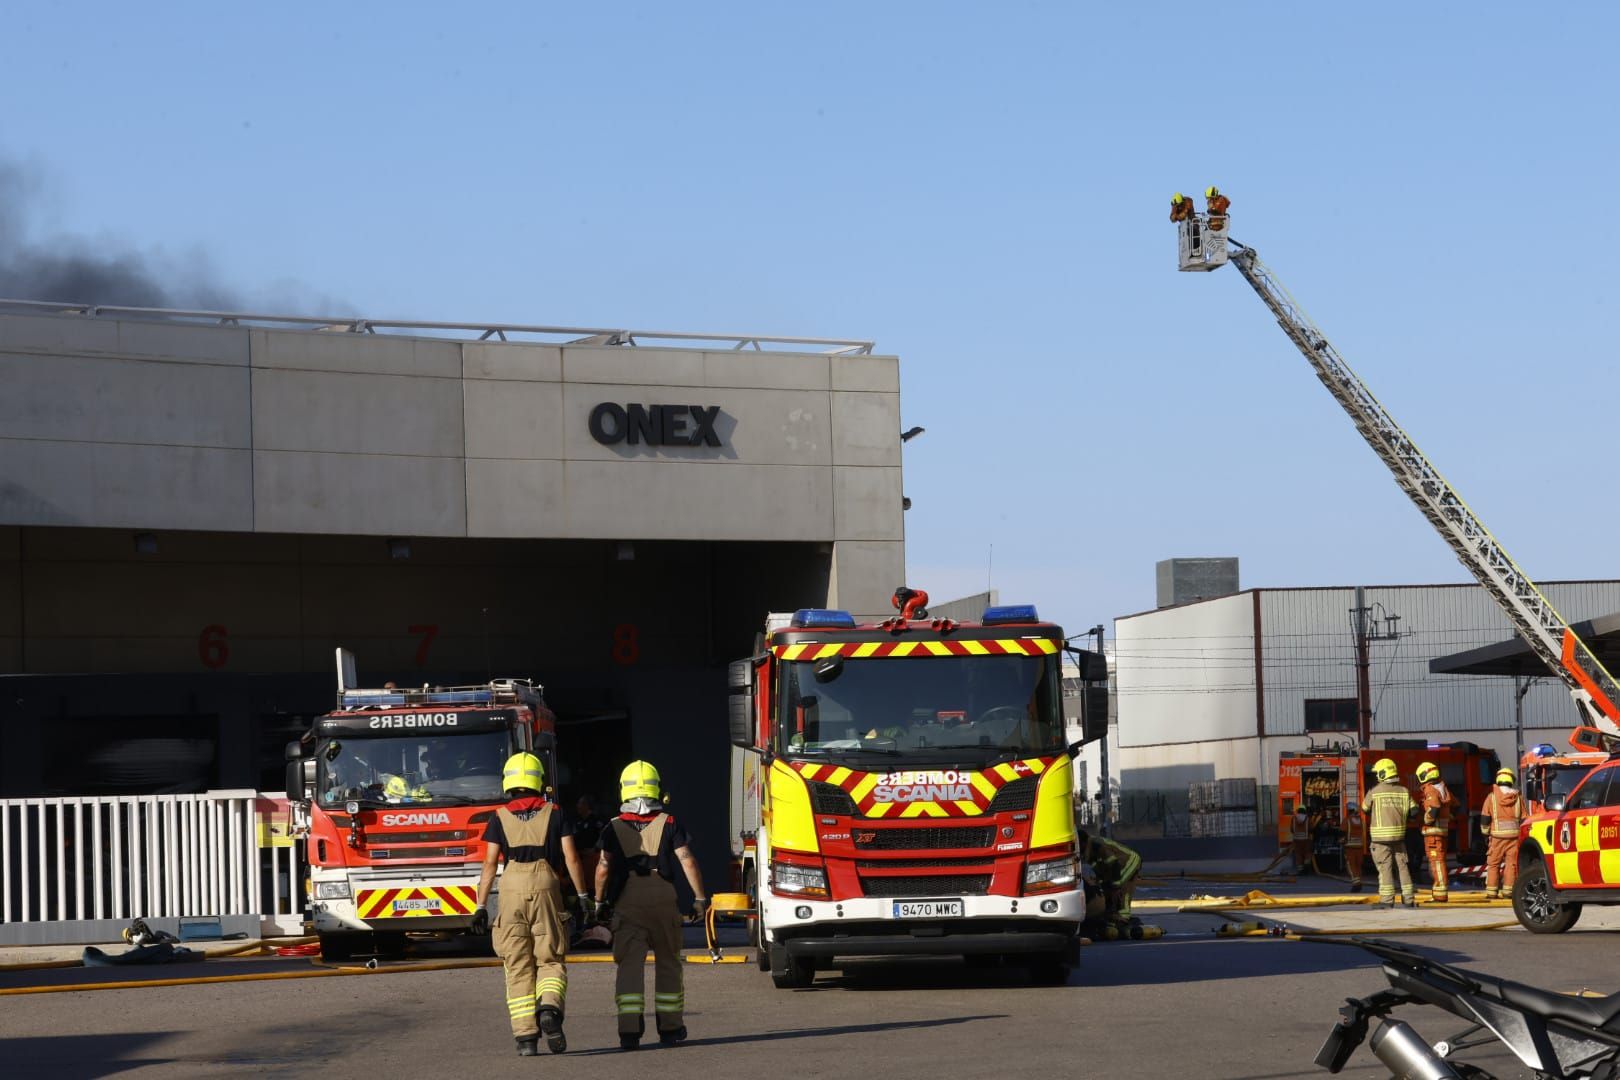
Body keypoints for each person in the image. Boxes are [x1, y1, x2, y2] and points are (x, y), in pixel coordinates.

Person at [472, 752, 592, 1057]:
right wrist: (582, 896)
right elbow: (572, 858)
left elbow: (489, 865)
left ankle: (526, 1038)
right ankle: (549, 1007)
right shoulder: (556, 813)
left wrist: (481, 906)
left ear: (509, 782)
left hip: (511, 887)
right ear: (538, 781)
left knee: (517, 964)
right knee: (550, 958)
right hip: (546, 885)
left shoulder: (498, 817)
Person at [595, 760, 708, 1051]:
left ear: (624, 789)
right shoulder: (670, 823)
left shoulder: (613, 826)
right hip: (663, 896)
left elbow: (604, 867)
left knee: (629, 966)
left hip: (627, 901)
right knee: (668, 962)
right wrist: (699, 898)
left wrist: (598, 901)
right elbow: (687, 860)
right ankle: (670, 1029)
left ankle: (629, 1032)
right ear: (656, 788)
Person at [1362, 758, 1417, 908]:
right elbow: (1415, 811)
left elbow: (1364, 809)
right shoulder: (1404, 791)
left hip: (1380, 839)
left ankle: (1386, 901)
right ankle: (1409, 898)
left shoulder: (1375, 791)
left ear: (1382, 773)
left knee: (1385, 868)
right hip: (1399, 838)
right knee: (1403, 867)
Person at [1077, 828, 1141, 928]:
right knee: (1108, 887)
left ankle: (1123, 918)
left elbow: (1113, 864)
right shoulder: (1087, 851)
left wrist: (1114, 886)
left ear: (1083, 842)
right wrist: (1102, 883)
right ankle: (1113, 914)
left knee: (1121, 887)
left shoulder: (1097, 845)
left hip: (1128, 861)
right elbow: (1099, 868)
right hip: (1116, 865)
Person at [1480, 767, 1524, 899]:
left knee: (1493, 864)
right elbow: (1524, 818)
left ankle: (1492, 892)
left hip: (1497, 837)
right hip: (1514, 837)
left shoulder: (1491, 797)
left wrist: (1485, 833)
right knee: (1512, 864)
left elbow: (1485, 818)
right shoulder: (1518, 797)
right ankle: (1508, 891)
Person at [1416, 761, 1455, 903]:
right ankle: (1438, 892)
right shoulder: (1443, 788)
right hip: (1442, 832)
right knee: (1440, 861)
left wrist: (1427, 820)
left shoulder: (1431, 789)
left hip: (1433, 833)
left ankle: (1440, 894)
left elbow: (1434, 808)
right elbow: (1455, 804)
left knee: (1437, 863)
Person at [1342, 805, 1367, 892]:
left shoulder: (1347, 820)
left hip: (1349, 847)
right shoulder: (1361, 821)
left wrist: (1341, 841)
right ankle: (1359, 881)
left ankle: (1356, 884)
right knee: (1358, 865)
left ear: (1349, 810)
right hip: (1360, 847)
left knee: (1351, 865)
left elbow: (1342, 833)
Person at [1289, 802, 1312, 873]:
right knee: (1307, 853)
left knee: (1298, 854)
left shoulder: (1293, 818)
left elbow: (1291, 829)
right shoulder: (1307, 818)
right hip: (1306, 840)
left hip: (1296, 840)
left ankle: (1300, 870)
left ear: (1298, 810)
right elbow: (1311, 828)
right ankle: (1307, 868)